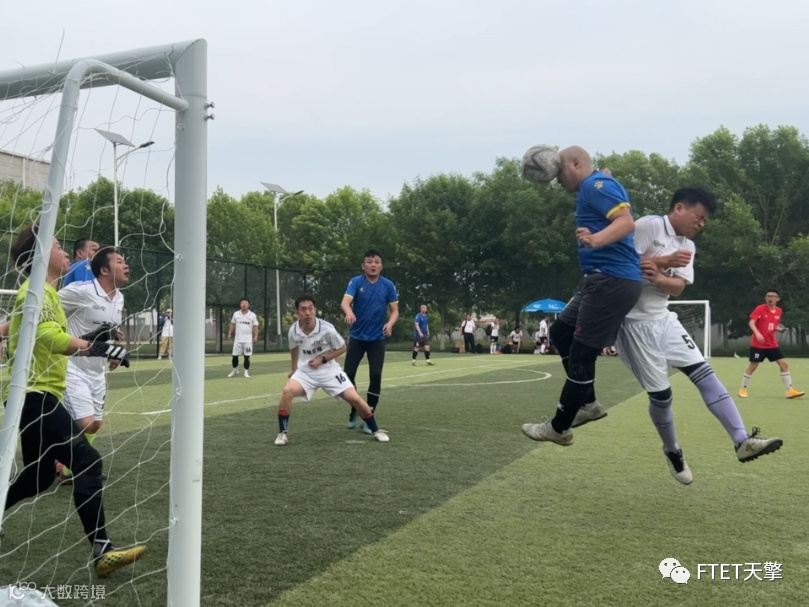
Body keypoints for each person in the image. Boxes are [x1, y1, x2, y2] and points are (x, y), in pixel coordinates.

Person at [601, 187, 781, 484]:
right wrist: (664, 262)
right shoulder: (648, 226)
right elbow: (622, 265)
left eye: (705, 220)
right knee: (662, 397)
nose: (701, 224)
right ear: (679, 208)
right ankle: (672, 450)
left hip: (664, 319)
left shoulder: (689, 247)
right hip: (632, 324)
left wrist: (658, 276)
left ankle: (742, 440)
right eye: (699, 217)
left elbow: (678, 288)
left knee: (705, 375)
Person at [3, 225, 144, 576]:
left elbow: (55, 333)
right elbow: (46, 334)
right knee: (87, 459)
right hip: (34, 394)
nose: (66, 251)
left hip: (40, 394)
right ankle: (103, 550)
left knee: (38, 477)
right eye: (57, 245)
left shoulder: (48, 293)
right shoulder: (33, 292)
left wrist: (97, 338)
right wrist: (92, 346)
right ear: (39, 255)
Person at [522, 146, 643, 446]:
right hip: (598, 280)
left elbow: (626, 222)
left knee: (582, 353)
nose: (557, 180)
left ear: (576, 163)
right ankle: (588, 404)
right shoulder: (595, 184)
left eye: (560, 172)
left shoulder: (594, 185)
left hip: (611, 280)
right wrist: (603, 178)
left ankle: (559, 427)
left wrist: (595, 239)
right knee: (560, 333)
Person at [274, 295, 389, 446]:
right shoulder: (293, 331)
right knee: (287, 391)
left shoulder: (327, 329)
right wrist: (293, 369)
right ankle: (282, 433)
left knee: (354, 398)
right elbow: (294, 349)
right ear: (297, 312)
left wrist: (322, 359)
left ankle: (375, 429)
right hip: (306, 371)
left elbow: (342, 347)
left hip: (329, 370)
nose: (307, 313)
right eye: (303, 309)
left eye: (310, 309)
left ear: (315, 310)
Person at [57, 245, 129, 484]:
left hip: (97, 371)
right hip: (73, 367)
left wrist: (114, 351)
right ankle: (61, 458)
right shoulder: (81, 291)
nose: (126, 265)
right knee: (85, 422)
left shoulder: (119, 298)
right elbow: (48, 304)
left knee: (95, 424)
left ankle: (68, 471)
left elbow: (108, 330)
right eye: (119, 261)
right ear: (104, 270)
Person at [340, 248, 399, 433]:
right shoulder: (356, 282)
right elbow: (345, 302)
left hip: (377, 339)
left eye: (377, 262)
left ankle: (369, 416)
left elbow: (395, 311)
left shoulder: (388, 285)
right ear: (363, 265)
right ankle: (355, 409)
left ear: (381, 266)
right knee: (348, 375)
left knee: (375, 376)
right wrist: (349, 312)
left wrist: (390, 323)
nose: (373, 265)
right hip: (357, 338)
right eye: (369, 262)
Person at [739, 290, 805, 399]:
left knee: (784, 364)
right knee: (753, 366)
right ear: (766, 298)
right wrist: (757, 333)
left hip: (772, 344)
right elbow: (751, 322)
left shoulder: (779, 311)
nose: (770, 298)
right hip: (758, 344)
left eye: (773, 296)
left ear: (777, 299)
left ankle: (789, 390)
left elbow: (771, 324)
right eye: (768, 296)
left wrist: (778, 329)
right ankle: (743, 389)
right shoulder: (760, 308)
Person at [227, 298, 259, 378]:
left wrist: (255, 336)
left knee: (246, 357)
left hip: (247, 340)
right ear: (240, 304)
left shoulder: (252, 315)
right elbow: (232, 324)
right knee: (235, 356)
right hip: (238, 340)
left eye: (246, 303)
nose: (244, 304)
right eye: (242, 303)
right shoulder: (236, 314)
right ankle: (235, 370)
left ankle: (246, 372)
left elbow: (255, 326)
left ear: (248, 305)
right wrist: (229, 334)